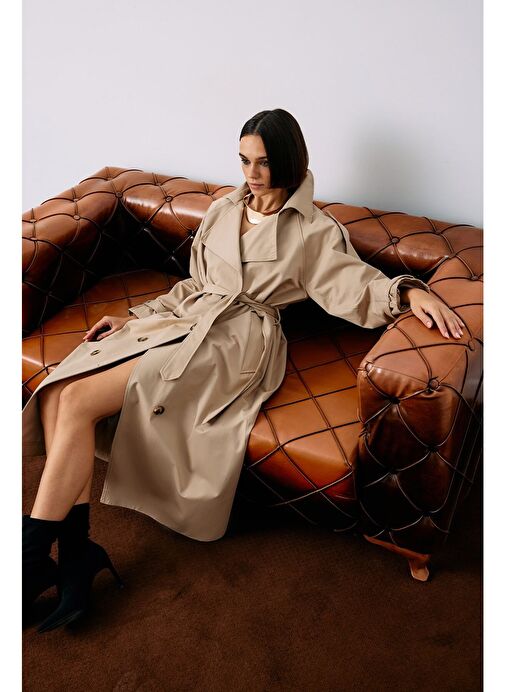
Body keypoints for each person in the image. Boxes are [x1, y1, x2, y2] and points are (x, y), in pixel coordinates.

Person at [22, 108, 465, 634]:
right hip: (187, 319)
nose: (251, 174)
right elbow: (195, 285)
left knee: (76, 401)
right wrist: (138, 317)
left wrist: (408, 292)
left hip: (236, 341)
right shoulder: (224, 209)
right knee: (62, 391)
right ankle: (74, 559)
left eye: (263, 163)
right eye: (244, 160)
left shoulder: (311, 230)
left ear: (289, 162)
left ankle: (29, 566)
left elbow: (355, 284)